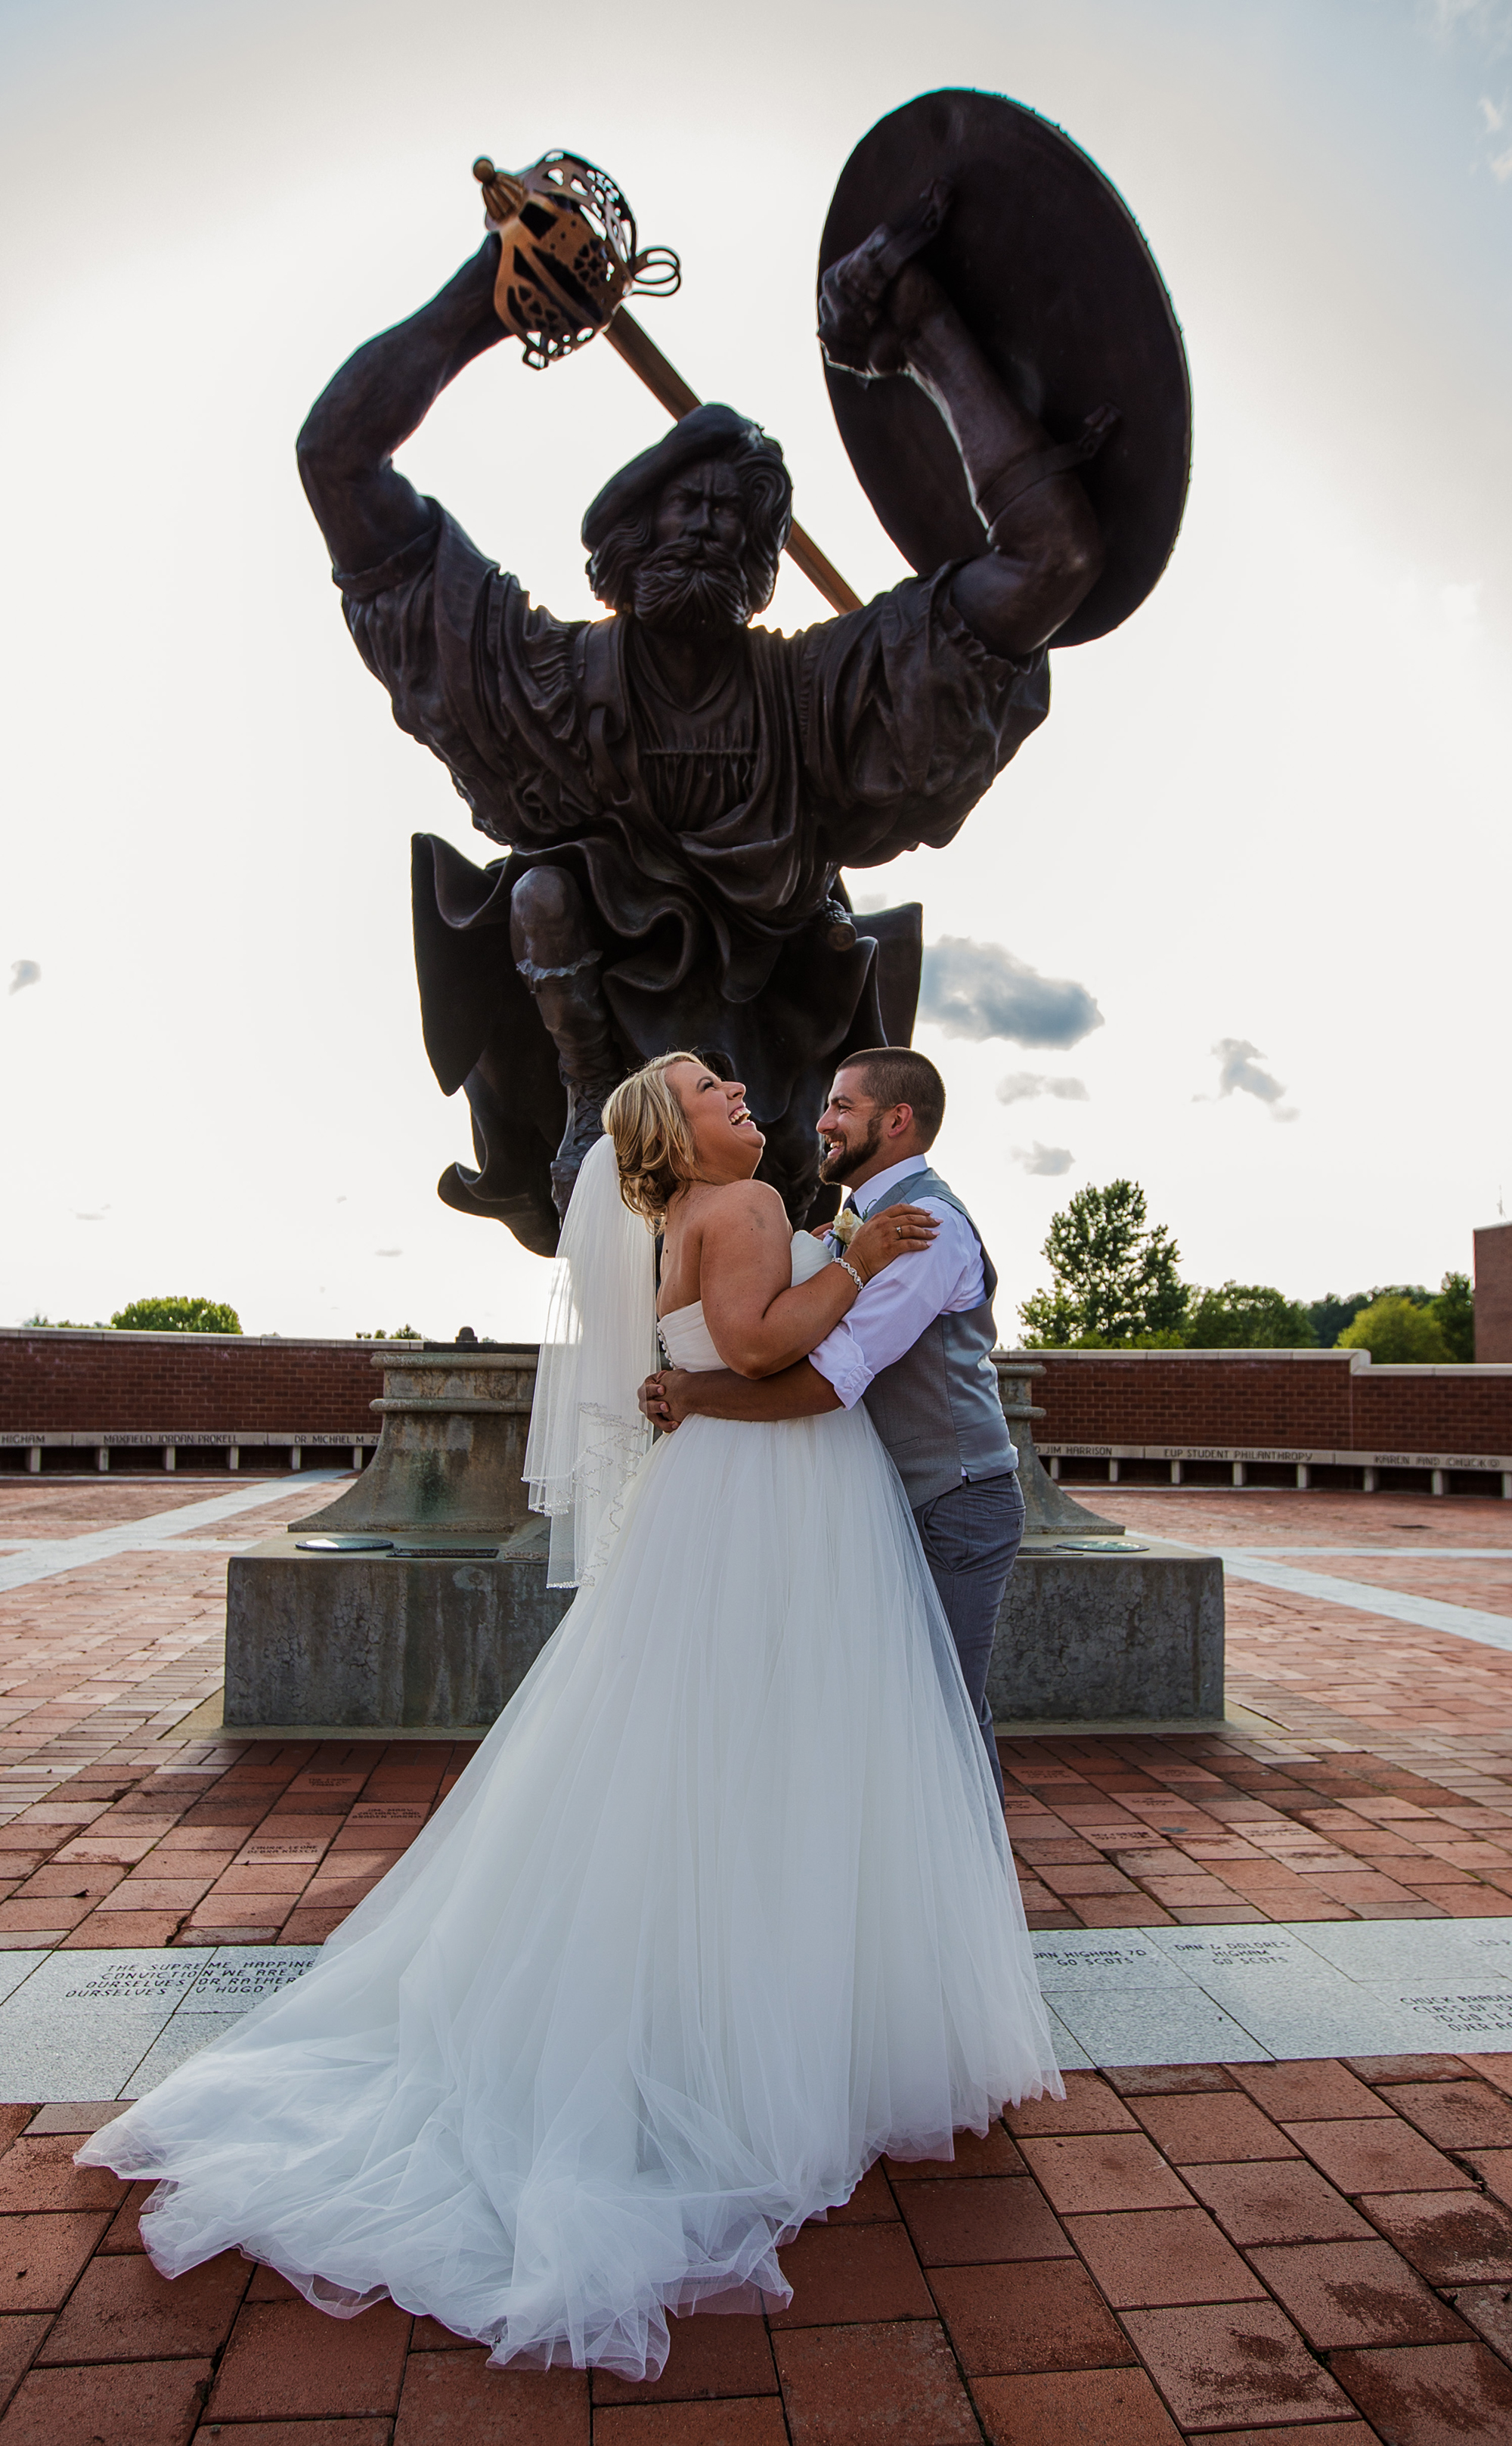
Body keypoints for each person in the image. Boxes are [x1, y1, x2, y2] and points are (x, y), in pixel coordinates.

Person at [79, 1052, 1061, 2382]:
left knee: (775, 1740)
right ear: (687, 1133)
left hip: (778, 1485)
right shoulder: (771, 1212)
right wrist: (844, 1259)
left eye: (798, 1099)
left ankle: (762, 1977)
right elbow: (792, 1352)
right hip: (787, 1491)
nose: (757, 1102)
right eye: (724, 1091)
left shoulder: (741, 1221)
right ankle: (820, 1998)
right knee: (844, 1738)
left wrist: (714, 1375)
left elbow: (756, 1360)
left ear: (893, 1122)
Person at [296, 222, 1103, 1250]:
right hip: (583, 1044)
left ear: (762, 559)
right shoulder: (544, 678)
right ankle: (594, 1108)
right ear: (628, 537)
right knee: (543, 889)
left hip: (774, 1036)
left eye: (736, 516)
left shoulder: (817, 690)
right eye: (688, 504)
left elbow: (1054, 557)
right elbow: (337, 458)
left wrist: (926, 326)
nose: (712, 527)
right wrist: (497, 290)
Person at [640, 1046, 1021, 1799]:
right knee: (882, 1709)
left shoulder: (923, 1227)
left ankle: (966, 1900)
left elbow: (827, 1378)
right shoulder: (859, 1221)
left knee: (939, 1709)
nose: (821, 1122)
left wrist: (692, 1394)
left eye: (842, 1107)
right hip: (880, 1501)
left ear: (897, 1119)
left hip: (949, 1497)